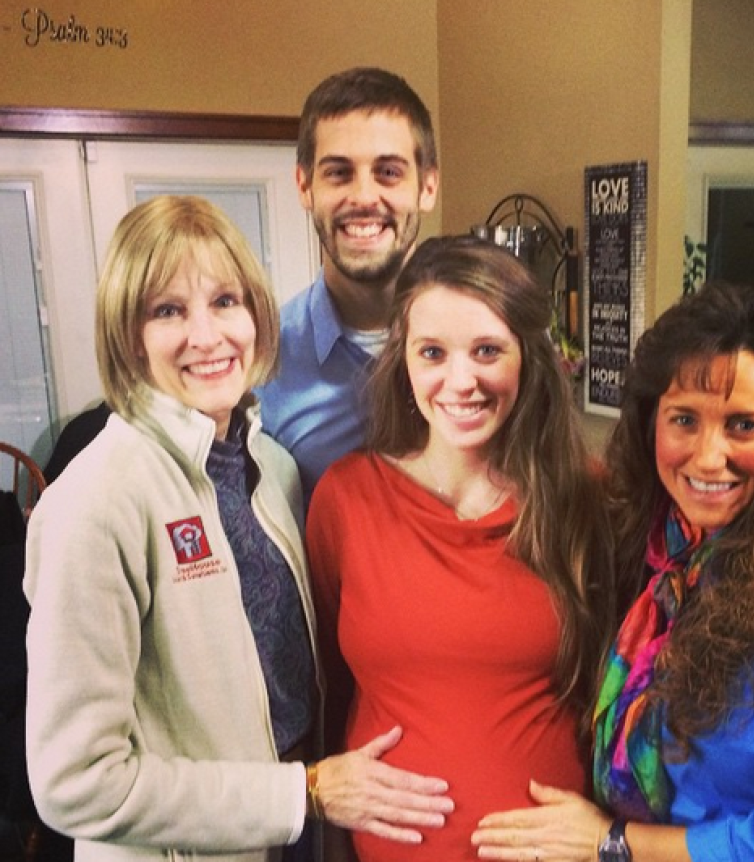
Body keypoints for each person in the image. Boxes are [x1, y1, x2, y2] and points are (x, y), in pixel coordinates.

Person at [23, 195, 453, 862]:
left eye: (225, 301)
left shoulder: (271, 469)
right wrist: (300, 792)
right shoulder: (95, 502)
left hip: (291, 837)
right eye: (168, 310)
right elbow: (74, 784)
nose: (207, 335)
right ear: (126, 335)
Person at [472, 280, 754, 862]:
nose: (706, 456)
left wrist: (613, 843)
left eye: (743, 425)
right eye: (684, 420)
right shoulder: (647, 542)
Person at [307, 235, 615, 862]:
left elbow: (619, 692)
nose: (460, 380)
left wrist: (606, 833)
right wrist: (321, 792)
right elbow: (323, 693)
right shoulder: (347, 498)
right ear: (405, 360)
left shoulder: (585, 496)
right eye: (432, 353)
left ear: (527, 357)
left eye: (486, 351)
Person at [258, 66, 440, 505]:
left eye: (389, 173)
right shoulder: (261, 366)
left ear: (427, 186)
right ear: (304, 186)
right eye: (339, 173)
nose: (362, 197)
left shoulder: (490, 347)